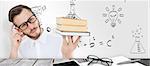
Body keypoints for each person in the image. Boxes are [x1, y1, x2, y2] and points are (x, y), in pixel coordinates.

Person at [8, 5, 80, 59]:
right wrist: (14, 47)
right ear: (18, 29)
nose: (31, 27)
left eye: (31, 19)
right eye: (23, 25)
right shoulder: (19, 47)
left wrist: (68, 56)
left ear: (36, 17)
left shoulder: (61, 38)